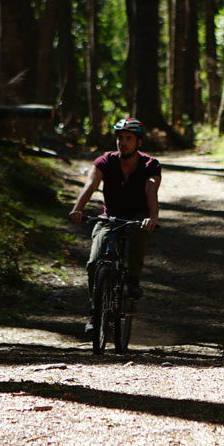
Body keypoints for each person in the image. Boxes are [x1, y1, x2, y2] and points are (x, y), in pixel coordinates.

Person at [69, 118, 161, 321]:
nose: (123, 142)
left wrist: (152, 218)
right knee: (94, 261)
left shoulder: (149, 164)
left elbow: (151, 190)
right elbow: (90, 186)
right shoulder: (105, 161)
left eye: (129, 138)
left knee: (139, 233)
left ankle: (133, 280)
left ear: (139, 142)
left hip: (137, 216)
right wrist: (77, 209)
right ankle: (96, 312)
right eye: (120, 138)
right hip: (110, 216)